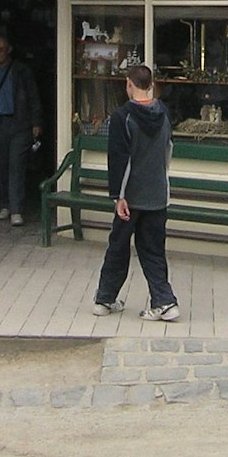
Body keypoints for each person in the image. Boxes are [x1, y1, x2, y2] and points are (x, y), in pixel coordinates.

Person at [90, 65, 179, 322]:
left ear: (129, 84)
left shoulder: (122, 117)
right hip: (157, 192)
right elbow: (168, 150)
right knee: (153, 250)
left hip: (130, 195)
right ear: (150, 84)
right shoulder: (163, 113)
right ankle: (164, 302)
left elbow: (119, 158)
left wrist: (119, 196)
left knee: (118, 246)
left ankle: (104, 298)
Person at [0, 33, 41, 226]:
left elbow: (33, 96)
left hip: (20, 124)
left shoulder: (22, 71)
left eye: (2, 49)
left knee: (16, 167)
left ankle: (16, 209)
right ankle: (5, 204)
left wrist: (36, 122)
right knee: (1, 166)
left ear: (9, 50)